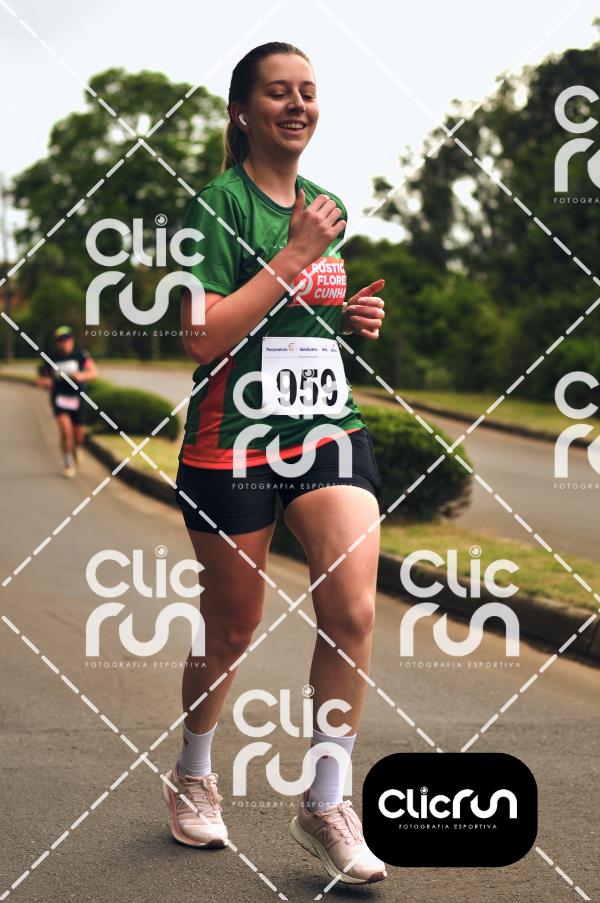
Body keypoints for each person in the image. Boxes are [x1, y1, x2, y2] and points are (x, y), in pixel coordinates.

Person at [164, 43, 388, 885]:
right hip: (234, 437)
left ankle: (326, 801)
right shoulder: (215, 206)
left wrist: (346, 319)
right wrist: (293, 257)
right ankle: (193, 769)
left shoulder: (328, 208)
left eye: (308, 93)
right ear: (242, 111)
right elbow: (202, 334)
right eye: (278, 93)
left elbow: (294, 324)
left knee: (353, 609)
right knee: (232, 625)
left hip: (325, 427)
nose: (297, 105)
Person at [37, 326, 97, 478]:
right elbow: (42, 378)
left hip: (77, 397)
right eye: (61, 340)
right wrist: (46, 382)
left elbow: (94, 372)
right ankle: (68, 462)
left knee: (78, 435)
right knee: (65, 431)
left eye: (67, 339)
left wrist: (82, 376)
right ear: (57, 343)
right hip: (59, 398)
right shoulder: (50, 358)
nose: (64, 343)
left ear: (72, 340)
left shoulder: (80, 355)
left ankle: (77, 447)